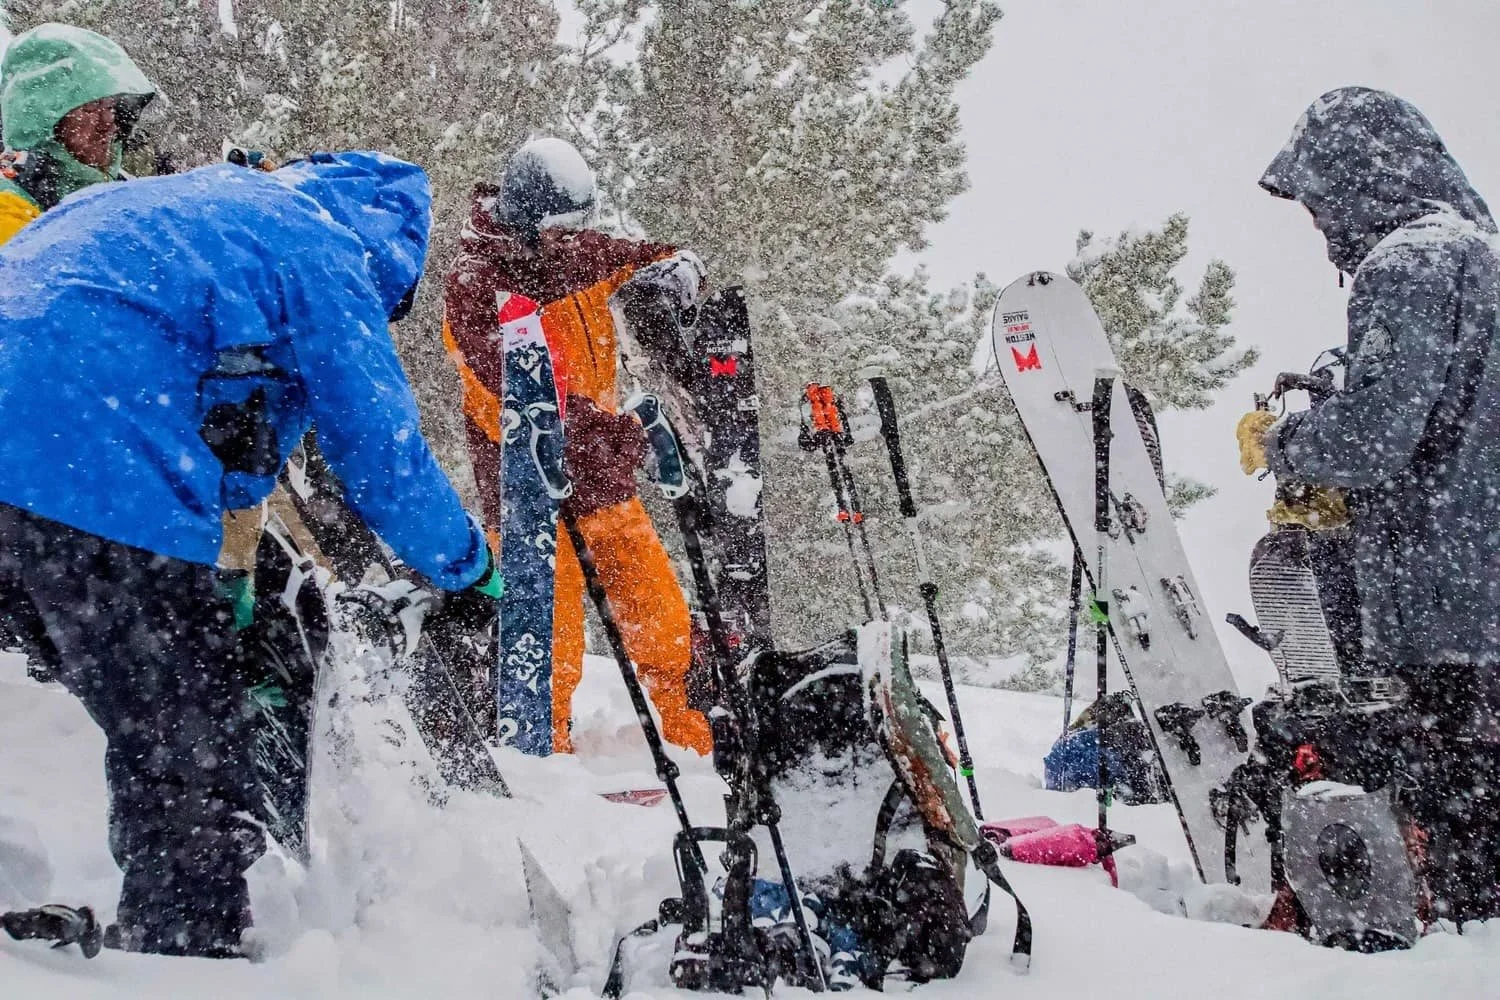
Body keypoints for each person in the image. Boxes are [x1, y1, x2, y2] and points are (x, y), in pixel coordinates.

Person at [0, 151, 501, 956]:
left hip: (24, 437)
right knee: (183, 743)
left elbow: (241, 444)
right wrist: (468, 568)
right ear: (391, 251)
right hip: (88, 467)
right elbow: (382, 456)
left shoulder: (203, 212)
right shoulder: (324, 249)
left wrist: (227, 574)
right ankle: (188, 955)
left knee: (146, 696)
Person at [1240, 86, 1500, 922]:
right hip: (1483, 589)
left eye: (1321, 204)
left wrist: (1284, 443)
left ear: (1359, 181)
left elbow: (1377, 435)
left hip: (1442, 601)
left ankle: (1443, 944)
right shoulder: (1485, 257)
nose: (1321, 227)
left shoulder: (1410, 264)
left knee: (1453, 807)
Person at [443, 136, 712, 755]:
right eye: (561, 230)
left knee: (660, 612)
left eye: (579, 227)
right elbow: (518, 393)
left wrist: (678, 270)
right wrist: (621, 434)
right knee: (548, 631)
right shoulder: (477, 284)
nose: (574, 240)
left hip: (603, 475)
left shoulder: (570, 252)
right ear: (527, 223)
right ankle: (544, 763)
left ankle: (696, 743)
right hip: (526, 490)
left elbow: (650, 257)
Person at [0, 22, 155, 243]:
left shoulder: (121, 188)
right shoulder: (10, 201)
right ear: (44, 116)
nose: (108, 121)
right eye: (90, 108)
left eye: (111, 107)